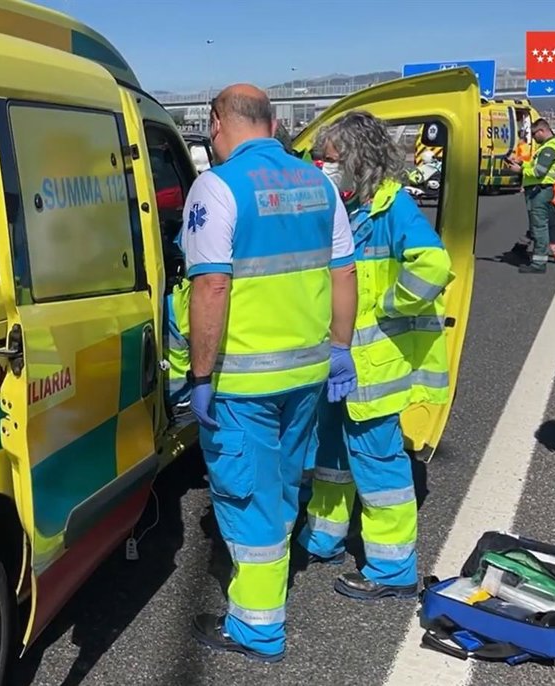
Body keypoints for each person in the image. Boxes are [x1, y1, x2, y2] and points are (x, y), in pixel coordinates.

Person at [180, 83, 358, 663]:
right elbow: (344, 273)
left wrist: (200, 377)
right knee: (280, 485)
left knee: (246, 494)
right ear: (274, 124)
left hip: (243, 381)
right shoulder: (318, 184)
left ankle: (256, 626)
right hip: (307, 372)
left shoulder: (218, 186)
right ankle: (272, 580)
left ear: (216, 124)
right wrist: (340, 347)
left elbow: (211, 285)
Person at [298, 111, 454, 600]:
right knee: (330, 453)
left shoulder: (392, 208)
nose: (324, 165)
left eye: (332, 158)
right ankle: (323, 537)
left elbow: (434, 266)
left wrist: (386, 305)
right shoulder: (343, 208)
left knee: (378, 463)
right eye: (320, 157)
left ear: (359, 161)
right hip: (338, 359)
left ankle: (392, 569)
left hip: (374, 364)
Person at [506, 118, 555, 272]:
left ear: (542, 131)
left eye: (534, 134)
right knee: (539, 226)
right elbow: (535, 166)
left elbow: (539, 172)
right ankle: (539, 261)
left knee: (539, 228)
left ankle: (539, 264)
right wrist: (521, 163)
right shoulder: (547, 146)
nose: (533, 138)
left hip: (540, 191)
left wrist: (520, 170)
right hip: (540, 190)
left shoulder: (549, 149)